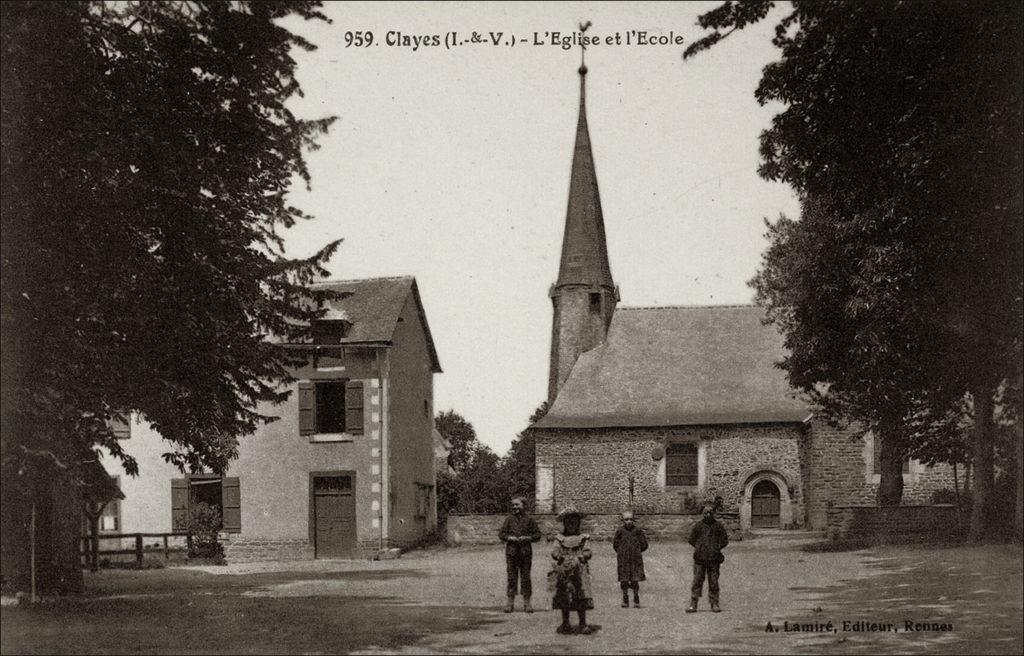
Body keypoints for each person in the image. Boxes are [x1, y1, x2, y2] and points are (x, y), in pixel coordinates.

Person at [549, 506, 595, 634]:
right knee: (565, 596)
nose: (571, 525)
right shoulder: (560, 538)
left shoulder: (583, 538)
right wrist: (558, 555)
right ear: (564, 524)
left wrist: (584, 555)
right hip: (564, 570)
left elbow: (588, 551)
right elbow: (555, 550)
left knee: (580, 596)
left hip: (579, 570)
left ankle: (582, 623)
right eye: (568, 523)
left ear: (578, 523)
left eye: (574, 522)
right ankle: (565, 622)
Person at [498, 497, 541, 613]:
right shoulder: (509, 519)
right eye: (513, 505)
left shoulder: (530, 519)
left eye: (517, 505)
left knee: (525, 577)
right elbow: (501, 534)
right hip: (511, 552)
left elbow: (538, 535)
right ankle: (510, 602)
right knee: (512, 577)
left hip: (525, 552)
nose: (515, 507)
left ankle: (527, 603)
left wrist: (528, 538)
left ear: (524, 506)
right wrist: (509, 537)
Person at [686, 503, 729, 613]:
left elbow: (724, 540)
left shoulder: (718, 526)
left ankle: (714, 603)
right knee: (697, 581)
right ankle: (693, 603)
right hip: (700, 558)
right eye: (706, 512)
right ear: (703, 514)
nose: (708, 514)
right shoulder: (698, 526)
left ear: (713, 514)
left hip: (714, 559)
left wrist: (716, 548)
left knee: (714, 581)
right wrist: (700, 547)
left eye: (710, 512)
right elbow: (691, 540)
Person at [612, 510, 648, 608]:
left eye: (631, 519)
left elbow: (644, 544)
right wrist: (621, 552)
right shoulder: (620, 531)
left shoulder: (638, 531)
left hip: (635, 560)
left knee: (635, 580)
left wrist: (637, 551)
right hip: (623, 560)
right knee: (624, 579)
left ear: (634, 520)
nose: (629, 521)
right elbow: (615, 544)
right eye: (626, 519)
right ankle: (625, 598)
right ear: (622, 520)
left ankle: (636, 598)